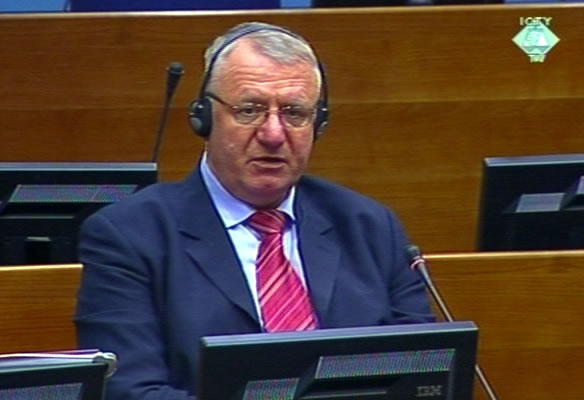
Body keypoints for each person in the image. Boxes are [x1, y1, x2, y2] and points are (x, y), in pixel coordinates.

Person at [74, 21, 434, 400]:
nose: (274, 134)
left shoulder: (371, 227)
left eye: (295, 113)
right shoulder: (129, 236)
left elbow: (424, 375)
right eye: (249, 110)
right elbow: (129, 391)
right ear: (204, 118)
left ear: (319, 124)